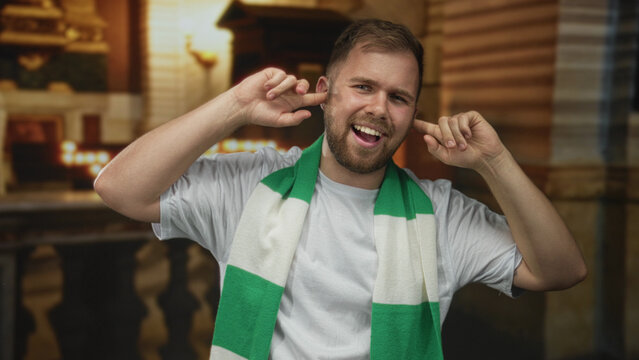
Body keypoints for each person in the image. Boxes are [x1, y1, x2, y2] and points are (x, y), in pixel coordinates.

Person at [95, 19, 586, 360]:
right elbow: (120, 189)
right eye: (363, 87)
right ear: (326, 93)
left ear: (412, 114)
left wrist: (495, 162)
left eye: (398, 98)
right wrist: (236, 106)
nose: (378, 108)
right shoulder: (253, 184)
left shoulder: (441, 212)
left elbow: (560, 271)